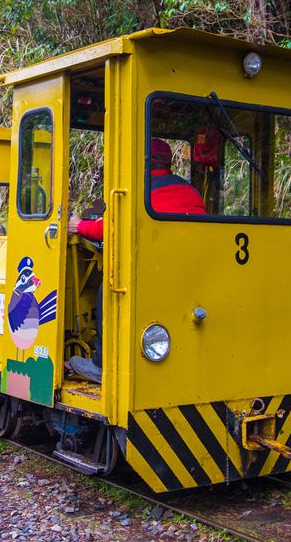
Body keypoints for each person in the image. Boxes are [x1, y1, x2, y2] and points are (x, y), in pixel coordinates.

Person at [65, 138, 206, 383]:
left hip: (153, 273)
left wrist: (78, 225)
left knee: (107, 288)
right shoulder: (190, 191)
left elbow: (106, 229)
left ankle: (101, 364)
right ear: (169, 162)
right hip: (191, 272)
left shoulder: (143, 193)